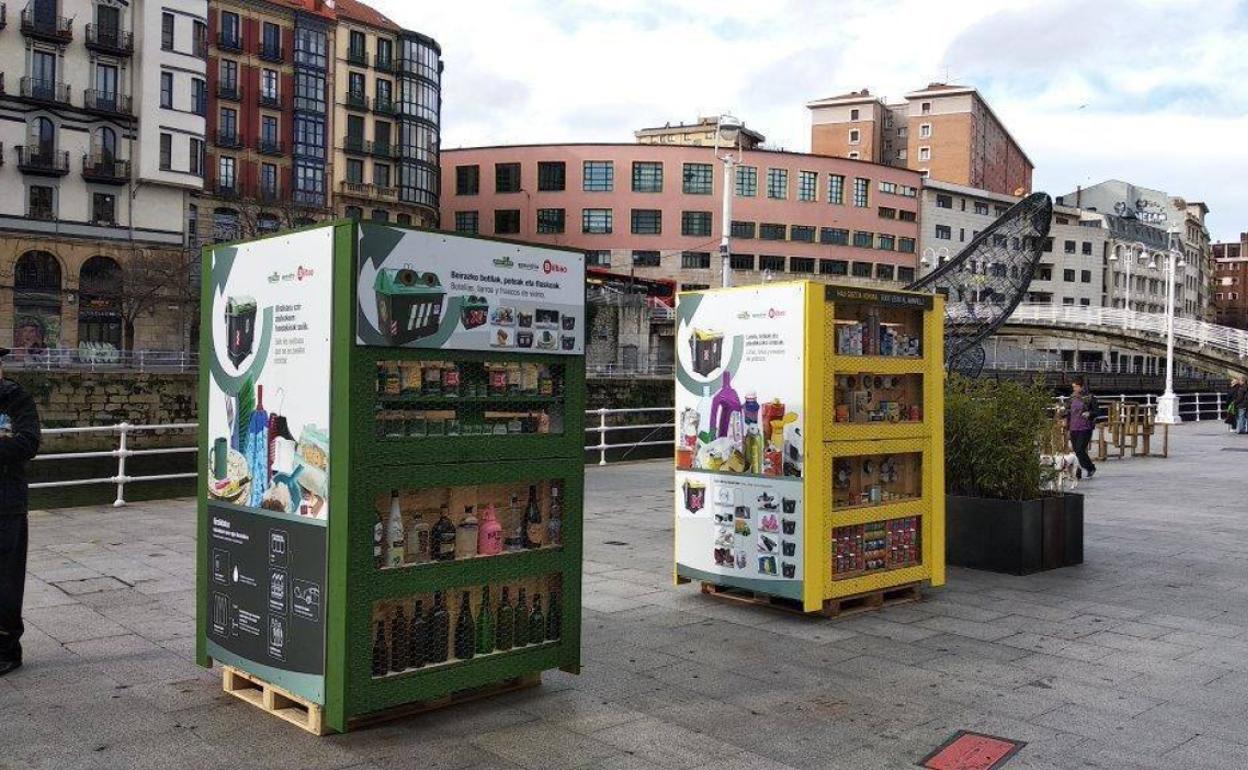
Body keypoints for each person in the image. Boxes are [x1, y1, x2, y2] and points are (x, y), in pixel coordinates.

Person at [0, 348, 42, 676]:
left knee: (7, 580)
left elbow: (28, 444)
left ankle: (7, 648)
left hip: (7, 503)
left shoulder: (15, 398)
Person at [1066, 375, 1098, 479]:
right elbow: (1068, 413)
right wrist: (1067, 428)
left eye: (1075, 387)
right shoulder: (1071, 398)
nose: (1074, 389)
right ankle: (1079, 471)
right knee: (1077, 451)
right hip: (1073, 428)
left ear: (1081, 387)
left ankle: (1090, 468)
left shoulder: (1089, 397)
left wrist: (1089, 413)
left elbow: (1097, 411)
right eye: (1073, 387)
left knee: (1080, 449)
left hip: (1085, 428)